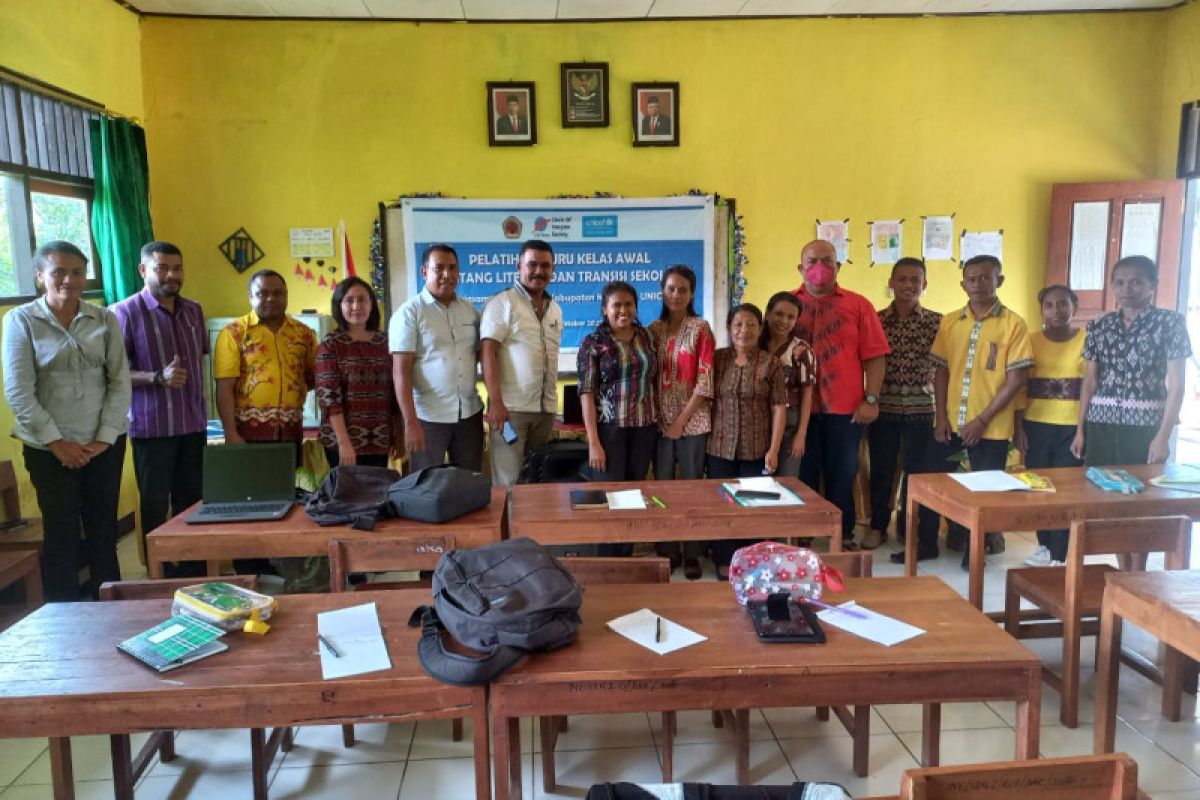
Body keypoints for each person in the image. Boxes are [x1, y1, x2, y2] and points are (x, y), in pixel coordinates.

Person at [2, 241, 131, 601]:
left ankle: (110, 607)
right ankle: (63, 614)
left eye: (77, 272)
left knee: (104, 528)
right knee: (61, 532)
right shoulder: (21, 320)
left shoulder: (104, 319)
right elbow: (18, 391)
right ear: (41, 276)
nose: (69, 280)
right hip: (48, 448)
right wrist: (57, 444)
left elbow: (120, 381)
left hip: (103, 444)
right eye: (58, 271)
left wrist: (105, 438)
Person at [111, 241, 208, 578]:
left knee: (194, 503)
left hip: (194, 426)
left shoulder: (194, 310)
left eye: (177, 268)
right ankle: (160, 575)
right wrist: (156, 377)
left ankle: (194, 570)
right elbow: (111, 372)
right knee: (155, 506)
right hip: (152, 430)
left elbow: (200, 363)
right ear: (143, 270)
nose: (171, 275)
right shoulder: (123, 313)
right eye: (162, 268)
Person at [931, 255, 1033, 567]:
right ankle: (957, 536)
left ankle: (976, 552)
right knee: (952, 485)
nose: (979, 285)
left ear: (999, 281)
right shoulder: (950, 322)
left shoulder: (1013, 324)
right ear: (963, 284)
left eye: (986, 278)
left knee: (985, 490)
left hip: (991, 425)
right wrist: (941, 417)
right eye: (972, 279)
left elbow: (1016, 378)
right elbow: (941, 370)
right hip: (952, 421)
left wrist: (983, 420)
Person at [791, 239, 891, 550]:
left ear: (838, 266)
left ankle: (842, 534)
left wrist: (871, 399)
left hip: (845, 409)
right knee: (802, 475)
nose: (819, 268)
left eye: (827, 260)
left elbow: (874, 356)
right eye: (812, 261)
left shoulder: (859, 305)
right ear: (800, 267)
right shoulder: (787, 305)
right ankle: (804, 533)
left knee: (842, 474)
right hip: (799, 409)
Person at [861, 258, 946, 562]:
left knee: (916, 475)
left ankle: (911, 530)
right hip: (884, 408)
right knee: (881, 471)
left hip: (924, 410)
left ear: (925, 285)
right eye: (902, 279)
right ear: (891, 282)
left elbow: (944, 368)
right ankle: (878, 526)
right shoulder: (876, 320)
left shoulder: (939, 322)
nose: (909, 285)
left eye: (915, 280)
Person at [1072, 255, 1191, 466]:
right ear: (1112, 286)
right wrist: (1080, 430)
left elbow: (1177, 385)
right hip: (1100, 423)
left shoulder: (1170, 323)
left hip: (1147, 426)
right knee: (1097, 487)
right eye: (1119, 282)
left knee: (1142, 490)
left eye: (1136, 282)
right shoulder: (1099, 326)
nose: (1127, 288)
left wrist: (1163, 437)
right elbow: (1090, 381)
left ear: (1152, 284)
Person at [706, 303, 787, 577]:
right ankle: (725, 558)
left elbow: (778, 407)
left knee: (753, 504)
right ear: (729, 328)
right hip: (720, 445)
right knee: (723, 505)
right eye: (738, 324)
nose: (744, 330)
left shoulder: (771, 363)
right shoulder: (717, 360)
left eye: (751, 324)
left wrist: (774, 448)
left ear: (760, 328)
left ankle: (753, 559)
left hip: (757, 446)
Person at [648, 265, 715, 579]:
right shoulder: (653, 329)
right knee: (662, 490)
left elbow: (705, 381)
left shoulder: (700, 328)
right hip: (660, 424)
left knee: (691, 490)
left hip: (693, 422)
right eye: (671, 288)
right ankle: (667, 550)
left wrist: (681, 421)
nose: (676, 295)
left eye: (683, 290)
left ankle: (692, 553)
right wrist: (664, 421)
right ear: (663, 291)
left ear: (692, 294)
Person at [391, 244, 484, 471]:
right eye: (439, 268)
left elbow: (484, 357)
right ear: (424, 272)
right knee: (426, 486)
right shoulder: (409, 313)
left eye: (452, 268)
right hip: (428, 418)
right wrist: (410, 422)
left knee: (468, 483)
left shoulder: (470, 311)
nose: (447, 275)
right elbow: (400, 372)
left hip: (468, 415)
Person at [481, 239, 563, 486]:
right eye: (532, 264)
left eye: (545, 266)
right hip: (510, 413)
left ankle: (532, 527)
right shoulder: (502, 303)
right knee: (508, 481)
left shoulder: (555, 309)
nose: (539, 271)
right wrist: (496, 403)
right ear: (519, 266)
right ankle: (507, 527)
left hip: (545, 412)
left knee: (539, 478)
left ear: (553, 270)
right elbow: (488, 353)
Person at [1017, 285, 1084, 567]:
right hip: (1036, 425)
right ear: (1041, 310)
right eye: (1049, 305)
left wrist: (1082, 430)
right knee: (1039, 488)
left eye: (1062, 304)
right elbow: (1020, 385)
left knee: (1065, 490)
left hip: (1071, 427)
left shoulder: (1087, 340)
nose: (1056, 310)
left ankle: (1060, 553)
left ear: (1074, 307)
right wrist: (1018, 428)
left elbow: (1091, 386)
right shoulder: (1030, 340)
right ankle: (1043, 545)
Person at [214, 269, 318, 450]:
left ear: (286, 295)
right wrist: (230, 433)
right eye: (262, 294)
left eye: (278, 293)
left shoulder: (304, 334)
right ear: (250, 297)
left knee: (292, 479)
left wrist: (290, 389)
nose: (271, 299)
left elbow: (314, 377)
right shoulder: (234, 333)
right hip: (246, 435)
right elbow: (225, 388)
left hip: (291, 432)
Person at [317, 277, 401, 469]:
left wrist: (400, 435)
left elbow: (396, 393)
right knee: (348, 497)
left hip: (380, 441)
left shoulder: (387, 341)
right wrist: (344, 443)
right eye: (349, 300)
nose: (356, 306)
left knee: (376, 496)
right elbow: (330, 400)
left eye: (362, 299)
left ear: (371, 303)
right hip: (342, 443)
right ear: (339, 306)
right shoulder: (330, 345)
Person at [759, 292, 815, 479]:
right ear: (767, 314)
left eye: (791, 317)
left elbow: (807, 394)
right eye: (779, 314)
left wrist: (801, 434)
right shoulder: (754, 344)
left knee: (786, 482)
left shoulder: (801, 350)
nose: (784, 321)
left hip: (790, 424)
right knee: (758, 481)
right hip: (757, 422)